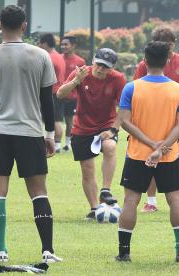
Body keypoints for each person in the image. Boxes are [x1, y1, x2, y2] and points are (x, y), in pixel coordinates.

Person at [0, 5, 62, 263]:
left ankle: (1, 250)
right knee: (38, 191)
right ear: (24, 26)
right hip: (29, 131)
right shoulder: (40, 55)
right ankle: (48, 250)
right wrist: (49, 134)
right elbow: (48, 101)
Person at [115, 41, 179, 263]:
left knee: (131, 201)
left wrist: (150, 144)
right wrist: (162, 147)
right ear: (167, 60)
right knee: (175, 199)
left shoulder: (132, 87)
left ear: (144, 60)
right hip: (170, 155)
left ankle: (124, 253)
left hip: (138, 154)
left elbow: (124, 122)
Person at [134, 26, 179, 213]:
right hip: (152, 122)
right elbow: (138, 92)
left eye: (170, 44)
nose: (168, 48)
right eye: (164, 45)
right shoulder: (143, 66)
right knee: (152, 160)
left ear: (174, 43)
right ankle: (151, 202)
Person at [57, 48, 126, 220]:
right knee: (87, 170)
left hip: (106, 125)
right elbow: (60, 95)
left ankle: (106, 189)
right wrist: (76, 81)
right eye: (99, 64)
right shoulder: (80, 73)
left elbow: (124, 108)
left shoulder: (118, 79)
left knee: (110, 146)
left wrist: (113, 129)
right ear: (93, 61)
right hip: (82, 128)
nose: (101, 69)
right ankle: (95, 208)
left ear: (112, 68)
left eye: (106, 67)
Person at [38, 33, 66, 153]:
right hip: (59, 91)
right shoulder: (59, 56)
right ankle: (57, 144)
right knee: (57, 119)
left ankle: (57, 145)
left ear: (44, 43)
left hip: (52, 92)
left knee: (55, 120)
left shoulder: (49, 58)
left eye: (40, 43)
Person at [60, 36, 85, 152]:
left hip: (72, 97)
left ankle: (68, 143)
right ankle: (55, 143)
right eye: (62, 44)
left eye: (66, 44)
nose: (63, 46)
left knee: (69, 120)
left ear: (73, 46)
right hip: (58, 94)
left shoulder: (80, 61)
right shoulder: (59, 59)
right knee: (56, 120)